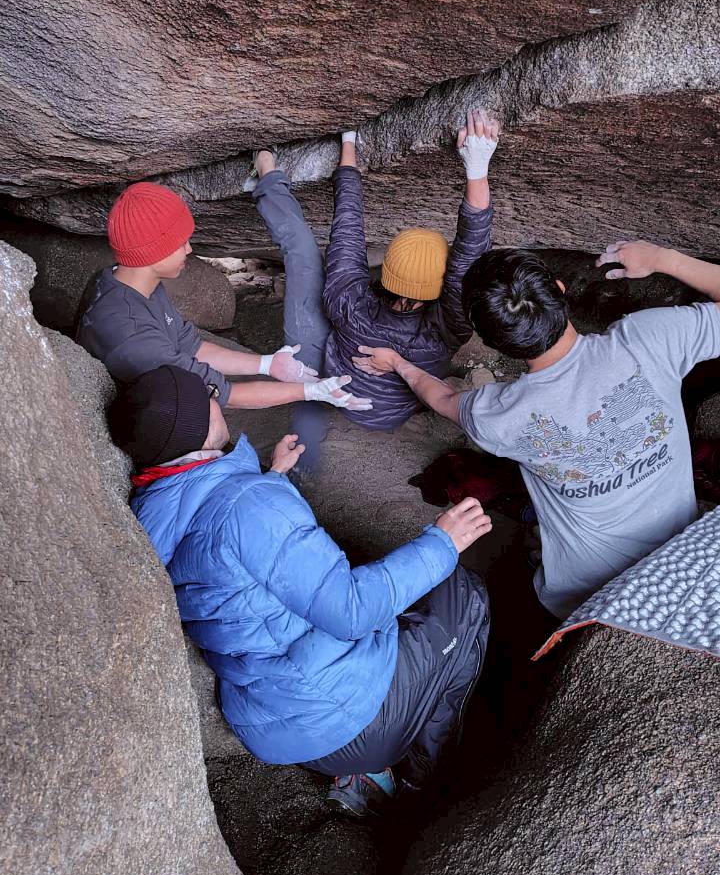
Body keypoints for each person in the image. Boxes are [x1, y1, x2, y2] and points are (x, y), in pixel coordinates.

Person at [107, 365, 493, 818]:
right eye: (209, 394)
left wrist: (272, 478)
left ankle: (369, 767)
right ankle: (419, 775)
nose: (218, 398)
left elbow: (230, 554)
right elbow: (350, 610)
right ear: (196, 424)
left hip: (278, 725)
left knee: (391, 593)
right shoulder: (250, 505)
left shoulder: (154, 511)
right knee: (466, 593)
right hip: (352, 720)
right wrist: (441, 543)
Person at [352, 241, 720, 620]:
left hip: (583, 598)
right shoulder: (648, 339)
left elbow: (442, 397)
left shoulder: (498, 414)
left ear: (492, 341)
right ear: (560, 290)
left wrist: (397, 362)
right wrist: (662, 258)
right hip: (682, 559)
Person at [247, 111, 497, 436]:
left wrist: (348, 140)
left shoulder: (349, 302)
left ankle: (266, 168)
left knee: (302, 255)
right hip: (387, 416)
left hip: (328, 383)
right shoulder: (451, 327)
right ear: (442, 285)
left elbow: (347, 225)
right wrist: (477, 168)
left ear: (387, 269)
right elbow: (470, 255)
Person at [77, 179, 369, 418]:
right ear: (152, 253)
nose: (189, 249)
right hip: (144, 419)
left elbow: (189, 345)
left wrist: (268, 365)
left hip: (157, 390)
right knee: (215, 421)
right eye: (180, 243)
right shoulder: (132, 335)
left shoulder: (127, 282)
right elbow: (225, 394)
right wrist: (312, 392)